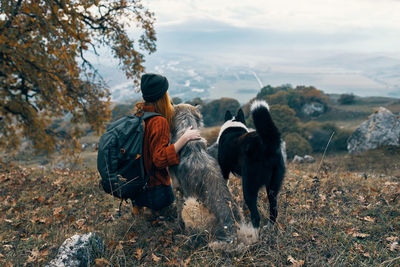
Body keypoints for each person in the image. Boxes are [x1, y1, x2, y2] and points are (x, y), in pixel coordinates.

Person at [131, 73, 200, 214]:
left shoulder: (138, 116)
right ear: (163, 96)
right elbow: (159, 159)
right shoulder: (159, 121)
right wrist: (184, 138)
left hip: (137, 191)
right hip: (157, 193)